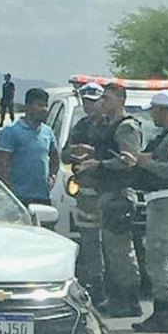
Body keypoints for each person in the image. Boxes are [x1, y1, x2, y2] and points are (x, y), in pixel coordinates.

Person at [125, 90, 168, 333]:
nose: (152, 115)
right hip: (164, 201)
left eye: (153, 110)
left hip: (166, 201)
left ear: (163, 110)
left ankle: (163, 312)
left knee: (158, 258)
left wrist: (148, 163)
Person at [76, 82, 143, 318]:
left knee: (121, 251)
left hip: (119, 194)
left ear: (121, 100)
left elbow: (129, 161)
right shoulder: (109, 127)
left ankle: (130, 300)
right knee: (112, 251)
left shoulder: (126, 127)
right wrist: (92, 154)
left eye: (107, 98)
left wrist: (99, 164)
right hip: (107, 194)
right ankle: (118, 299)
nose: (102, 102)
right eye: (102, 98)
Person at [65, 82, 108, 305]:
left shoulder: (112, 126)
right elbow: (64, 154)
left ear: (102, 101)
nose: (89, 105)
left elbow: (118, 155)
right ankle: (97, 286)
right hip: (85, 193)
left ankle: (116, 288)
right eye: (85, 102)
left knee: (111, 243)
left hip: (108, 192)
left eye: (93, 101)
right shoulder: (81, 126)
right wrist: (74, 152)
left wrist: (93, 153)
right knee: (90, 242)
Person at [0, 88, 59, 206]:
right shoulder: (11, 131)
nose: (44, 109)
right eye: (39, 105)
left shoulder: (48, 132)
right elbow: (2, 165)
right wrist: (10, 192)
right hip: (18, 198)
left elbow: (55, 158)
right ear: (28, 107)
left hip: (42, 197)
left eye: (45, 105)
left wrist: (53, 177)